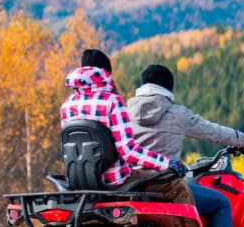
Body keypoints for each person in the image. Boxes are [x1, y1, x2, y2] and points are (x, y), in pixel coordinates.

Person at [127, 64, 244, 227]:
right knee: (221, 203)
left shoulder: (124, 113)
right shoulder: (177, 114)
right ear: (168, 88)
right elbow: (212, 131)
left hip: (132, 186)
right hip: (165, 185)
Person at [60, 50, 189, 196]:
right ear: (105, 75)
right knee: (176, 185)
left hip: (80, 182)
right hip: (116, 181)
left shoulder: (67, 105)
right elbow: (128, 151)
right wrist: (167, 163)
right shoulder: (112, 102)